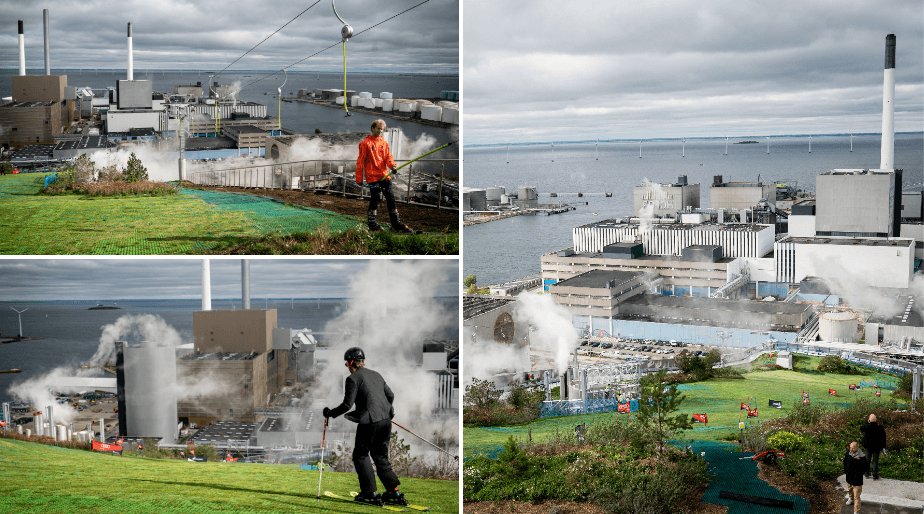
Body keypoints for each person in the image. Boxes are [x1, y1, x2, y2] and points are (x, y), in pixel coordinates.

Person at [323, 347, 408, 506]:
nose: (347, 366)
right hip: (385, 420)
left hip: (370, 421)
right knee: (380, 456)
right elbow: (390, 395)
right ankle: (394, 494)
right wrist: (385, 411)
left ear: (350, 362)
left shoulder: (353, 378)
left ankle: (370, 494)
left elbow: (347, 405)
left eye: (346, 362)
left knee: (360, 455)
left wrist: (329, 413)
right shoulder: (376, 374)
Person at [355, 120, 412, 233]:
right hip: (372, 177)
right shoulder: (365, 143)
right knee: (375, 199)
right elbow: (360, 162)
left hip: (384, 175)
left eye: (382, 129)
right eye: (378, 129)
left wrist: (393, 166)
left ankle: (396, 224)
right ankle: (372, 224)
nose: (380, 131)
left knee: (391, 199)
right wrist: (359, 179)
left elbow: (388, 158)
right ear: (372, 128)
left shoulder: (384, 143)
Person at [843, 441, 868, 512]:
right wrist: (846, 471)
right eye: (850, 447)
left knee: (857, 497)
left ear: (857, 447)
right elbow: (845, 462)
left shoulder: (861, 457)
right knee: (849, 490)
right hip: (849, 478)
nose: (851, 449)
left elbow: (866, 467)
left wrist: (859, 473)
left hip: (857, 480)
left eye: (853, 448)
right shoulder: (848, 453)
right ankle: (851, 498)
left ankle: (856, 511)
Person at [860, 413, 887, 479]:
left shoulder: (867, 426)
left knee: (867, 459)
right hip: (876, 447)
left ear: (869, 419)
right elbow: (883, 437)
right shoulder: (880, 428)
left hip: (868, 446)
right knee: (875, 461)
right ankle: (875, 474)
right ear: (876, 419)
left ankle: (866, 473)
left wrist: (868, 422)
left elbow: (861, 428)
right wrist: (883, 446)